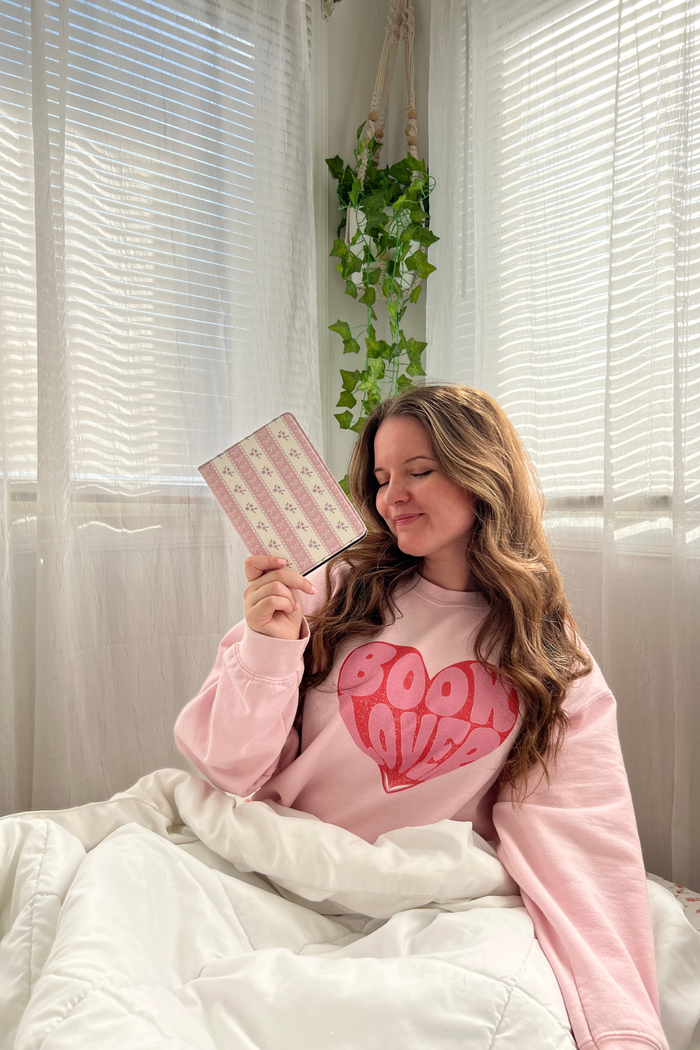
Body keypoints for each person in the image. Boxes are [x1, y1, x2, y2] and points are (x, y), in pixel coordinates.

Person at [175, 383, 668, 1050]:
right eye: (380, 478)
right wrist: (269, 647)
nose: (390, 497)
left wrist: (624, 1031)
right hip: (277, 869)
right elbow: (227, 766)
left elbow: (581, 841)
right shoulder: (332, 588)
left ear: (481, 472)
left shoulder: (546, 655)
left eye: (419, 471)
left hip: (427, 901)